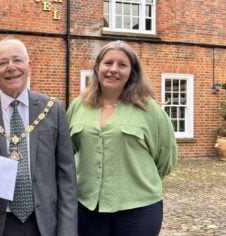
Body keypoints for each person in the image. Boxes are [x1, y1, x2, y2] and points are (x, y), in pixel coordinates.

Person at [0, 37, 77, 236]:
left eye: (17, 60)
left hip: (44, 224)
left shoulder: (53, 109)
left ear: (29, 66)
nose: (11, 67)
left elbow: (66, 177)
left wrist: (68, 231)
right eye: (2, 63)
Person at [67, 40, 178, 235]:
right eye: (108, 63)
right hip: (87, 207)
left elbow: (166, 157)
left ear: (132, 72)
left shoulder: (148, 108)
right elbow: (68, 150)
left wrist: (137, 180)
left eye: (122, 65)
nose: (113, 70)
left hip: (138, 208)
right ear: (97, 67)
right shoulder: (79, 105)